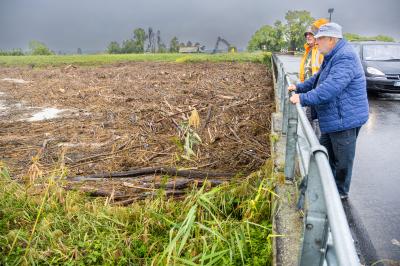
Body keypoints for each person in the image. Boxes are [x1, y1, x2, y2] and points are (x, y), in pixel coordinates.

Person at [288, 22, 369, 200]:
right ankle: (327, 189)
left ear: (331, 39)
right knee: (325, 156)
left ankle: (339, 196)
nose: (316, 42)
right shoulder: (332, 54)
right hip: (334, 118)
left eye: (319, 39)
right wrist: (300, 88)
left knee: (342, 161)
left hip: (344, 119)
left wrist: (302, 98)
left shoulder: (345, 56)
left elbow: (329, 88)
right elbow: (318, 78)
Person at [299, 18, 329, 138]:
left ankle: (315, 148)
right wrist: (300, 87)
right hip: (309, 90)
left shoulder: (320, 50)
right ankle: (313, 144)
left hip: (316, 92)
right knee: (309, 118)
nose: (308, 36)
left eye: (311, 34)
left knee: (314, 119)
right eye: (307, 34)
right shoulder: (309, 50)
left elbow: (322, 74)